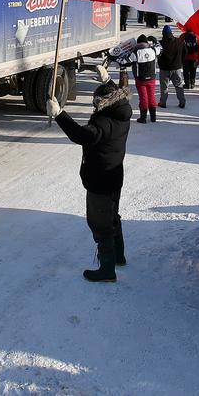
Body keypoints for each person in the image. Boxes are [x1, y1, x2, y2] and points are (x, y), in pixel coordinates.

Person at [47, 81, 132, 283]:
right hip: (114, 176)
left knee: (100, 224)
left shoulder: (104, 122)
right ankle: (119, 255)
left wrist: (59, 114)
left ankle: (107, 270)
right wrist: (106, 81)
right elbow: (116, 90)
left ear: (103, 102)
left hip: (99, 181)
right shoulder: (122, 112)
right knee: (112, 216)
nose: (94, 105)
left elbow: (82, 135)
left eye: (96, 102)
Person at [157, 25, 186, 109]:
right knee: (179, 86)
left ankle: (163, 103)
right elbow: (185, 52)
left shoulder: (160, 44)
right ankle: (182, 102)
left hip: (164, 69)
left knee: (164, 87)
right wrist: (180, 61)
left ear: (163, 34)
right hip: (176, 68)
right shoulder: (179, 42)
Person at [132, 35, 158, 123]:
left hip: (141, 79)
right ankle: (153, 117)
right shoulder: (153, 50)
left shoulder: (136, 52)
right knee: (151, 96)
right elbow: (160, 49)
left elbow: (128, 60)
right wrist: (155, 42)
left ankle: (143, 118)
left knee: (143, 98)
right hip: (152, 78)